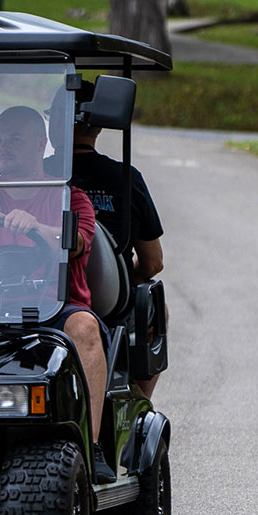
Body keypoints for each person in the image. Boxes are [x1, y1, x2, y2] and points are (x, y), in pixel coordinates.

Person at [0, 105, 116, 484]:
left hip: (54, 308)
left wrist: (37, 227)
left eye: (15, 140)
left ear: (41, 144)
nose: (4, 147)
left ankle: (91, 445)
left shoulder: (70, 197)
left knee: (85, 328)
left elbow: (77, 241)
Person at [46, 79, 167, 394]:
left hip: (36, 296)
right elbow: (153, 263)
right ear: (98, 126)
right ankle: (138, 398)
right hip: (106, 305)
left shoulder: (33, 176)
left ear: (54, 123)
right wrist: (118, 279)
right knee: (155, 308)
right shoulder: (127, 179)